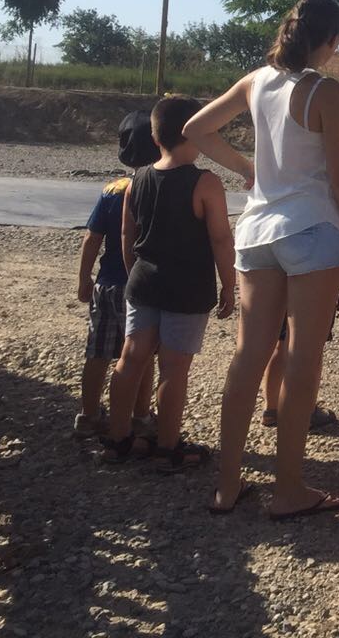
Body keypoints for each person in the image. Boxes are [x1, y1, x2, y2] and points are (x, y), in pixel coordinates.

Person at [185, 0, 339, 519]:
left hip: (256, 231)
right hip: (311, 230)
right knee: (301, 361)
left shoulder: (256, 81)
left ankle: (228, 486)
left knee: (247, 357)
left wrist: (246, 169)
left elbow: (195, 130)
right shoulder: (325, 91)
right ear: (332, 40)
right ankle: (288, 489)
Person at [98, 95, 236, 471]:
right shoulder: (206, 183)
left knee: (131, 358)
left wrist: (134, 271)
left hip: (143, 281)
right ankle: (166, 447)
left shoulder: (137, 180)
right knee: (174, 368)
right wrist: (229, 284)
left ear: (156, 138)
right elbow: (221, 239)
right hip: (187, 288)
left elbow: (127, 235)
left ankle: (117, 439)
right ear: (198, 134)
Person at [74, 111, 159, 440]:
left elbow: (91, 238)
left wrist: (84, 278)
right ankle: (140, 415)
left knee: (97, 352)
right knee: (141, 355)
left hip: (106, 284)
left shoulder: (112, 189)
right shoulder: (154, 189)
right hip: (137, 287)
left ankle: (88, 414)